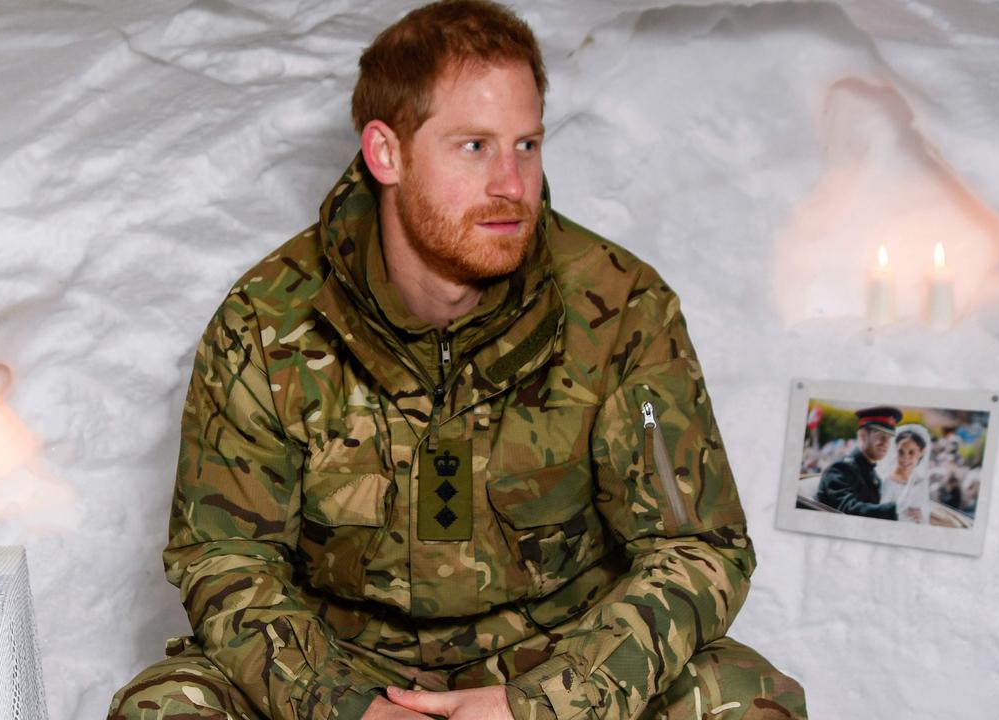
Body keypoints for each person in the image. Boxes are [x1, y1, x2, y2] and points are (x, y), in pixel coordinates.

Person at [111, 3, 805, 719]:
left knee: (738, 699)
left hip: (557, 663)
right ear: (387, 153)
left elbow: (696, 549)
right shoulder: (268, 322)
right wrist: (347, 708)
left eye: (527, 145)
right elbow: (225, 559)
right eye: (475, 146)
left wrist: (543, 704)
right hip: (342, 665)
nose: (511, 182)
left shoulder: (620, 308)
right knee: (167, 708)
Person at [815, 406, 900, 519]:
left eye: (889, 438)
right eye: (880, 436)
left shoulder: (872, 474)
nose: (886, 444)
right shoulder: (840, 469)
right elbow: (847, 509)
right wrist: (897, 509)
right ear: (863, 435)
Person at [876, 424, 931, 524]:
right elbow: (880, 515)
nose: (905, 458)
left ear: (921, 452)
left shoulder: (920, 481)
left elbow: (924, 509)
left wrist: (921, 516)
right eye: (901, 452)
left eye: (911, 452)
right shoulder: (888, 482)